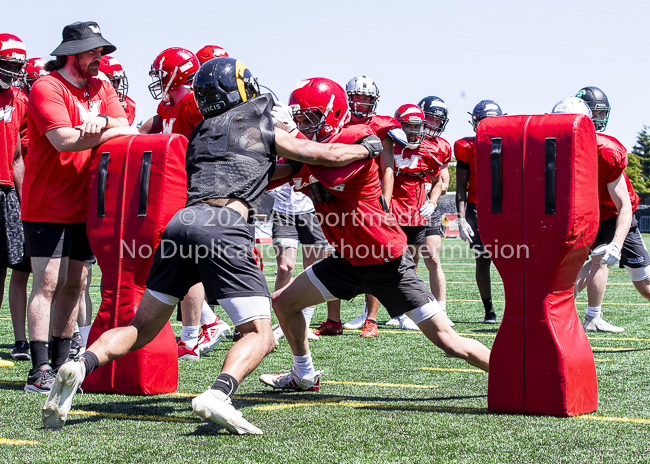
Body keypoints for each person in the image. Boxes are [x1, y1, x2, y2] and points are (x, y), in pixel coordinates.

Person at [42, 57, 383, 434]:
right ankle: (219, 393)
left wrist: (296, 169)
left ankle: (82, 364)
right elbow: (327, 155)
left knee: (141, 327)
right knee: (260, 335)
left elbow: (256, 172)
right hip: (223, 225)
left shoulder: (203, 131)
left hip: (181, 224)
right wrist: (367, 148)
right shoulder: (260, 122)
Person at [259, 78, 490, 392]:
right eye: (297, 119)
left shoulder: (354, 138)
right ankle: (303, 374)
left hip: (385, 262)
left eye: (308, 118)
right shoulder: (311, 151)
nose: (301, 125)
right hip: (347, 260)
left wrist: (293, 138)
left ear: (334, 114)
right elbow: (270, 178)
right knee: (284, 303)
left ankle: (518, 377)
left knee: (450, 342)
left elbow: (331, 169)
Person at [21, 21, 136, 393]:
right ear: (72, 54)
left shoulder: (100, 85)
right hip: (47, 204)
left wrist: (102, 121)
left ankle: (59, 361)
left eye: (101, 51)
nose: (100, 58)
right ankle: (38, 369)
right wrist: (112, 128)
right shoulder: (46, 86)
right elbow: (65, 140)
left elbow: (124, 123)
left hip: (87, 203)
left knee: (76, 283)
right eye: (94, 51)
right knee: (48, 284)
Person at [139, 47, 230, 359]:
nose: (157, 81)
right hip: (175, 185)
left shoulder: (193, 101)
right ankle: (207, 322)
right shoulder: (167, 105)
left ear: (176, 74)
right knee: (171, 257)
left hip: (195, 187)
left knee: (183, 257)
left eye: (161, 74)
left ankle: (192, 335)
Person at [565, 89, 647, 332]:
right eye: (595, 113)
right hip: (587, 212)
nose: (599, 118)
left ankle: (584, 315)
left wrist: (617, 244)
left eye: (602, 113)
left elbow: (623, 206)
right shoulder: (556, 147)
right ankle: (565, 311)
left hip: (614, 213)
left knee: (645, 285)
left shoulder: (606, 150)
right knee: (596, 261)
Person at [333, 75, 401, 337]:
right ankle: (333, 320)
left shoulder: (381, 126)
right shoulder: (339, 121)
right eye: (357, 99)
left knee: (373, 257)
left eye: (366, 99)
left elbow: (388, 167)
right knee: (336, 255)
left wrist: (385, 199)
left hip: (369, 199)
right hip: (341, 198)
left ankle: (371, 319)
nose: (361, 104)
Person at [455, 100, 503, 324]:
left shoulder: (510, 144)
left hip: (505, 207)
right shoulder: (466, 147)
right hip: (477, 207)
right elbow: (461, 187)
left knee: (513, 258)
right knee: (483, 259)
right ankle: (489, 310)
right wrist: (462, 218)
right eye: (482, 121)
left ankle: (515, 308)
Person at [0, 34, 29, 360]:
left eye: (15, 66)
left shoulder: (18, 99)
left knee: (3, 267)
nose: (11, 72)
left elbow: (18, 157)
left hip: (7, 189)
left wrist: (24, 200)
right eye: (6, 64)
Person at [268, 183, 326, 342]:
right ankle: (283, 322)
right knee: (285, 268)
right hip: (283, 211)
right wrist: (272, 188)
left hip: (313, 209)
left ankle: (305, 324)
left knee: (312, 270)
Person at [99, 55, 136, 125]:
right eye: (112, 81)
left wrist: (121, 113)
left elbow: (125, 131)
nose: (116, 86)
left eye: (118, 81)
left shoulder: (127, 103)